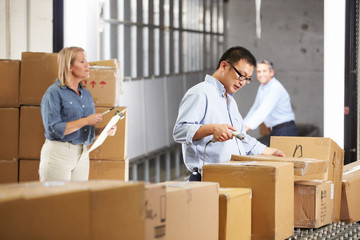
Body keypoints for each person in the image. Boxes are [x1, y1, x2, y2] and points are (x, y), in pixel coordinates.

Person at [173, 46, 285, 181]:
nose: (242, 82)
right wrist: (212, 129)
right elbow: (180, 131)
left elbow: (240, 138)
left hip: (232, 176)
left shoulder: (229, 100)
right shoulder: (200, 93)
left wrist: (270, 152)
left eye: (247, 79)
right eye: (241, 75)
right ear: (224, 66)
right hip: (207, 179)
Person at [39, 46, 116, 181]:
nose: (88, 65)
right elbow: (53, 129)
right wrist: (86, 120)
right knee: (56, 200)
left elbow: (83, 130)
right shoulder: (54, 93)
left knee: (78, 200)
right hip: (59, 154)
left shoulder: (86, 94)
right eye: (82, 62)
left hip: (82, 154)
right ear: (69, 67)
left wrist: (102, 131)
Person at [244, 60, 298, 138]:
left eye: (264, 71)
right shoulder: (262, 87)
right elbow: (255, 108)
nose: (261, 74)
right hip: (276, 130)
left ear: (271, 72)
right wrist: (243, 125)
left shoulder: (275, 88)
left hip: (285, 130)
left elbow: (263, 110)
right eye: (258, 71)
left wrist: (246, 127)